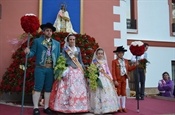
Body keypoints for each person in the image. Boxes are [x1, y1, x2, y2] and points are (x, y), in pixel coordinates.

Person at [24, 22, 60, 115]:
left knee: (48, 88)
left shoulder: (56, 44)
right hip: (40, 68)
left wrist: (59, 68)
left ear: (52, 32)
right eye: (47, 30)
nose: (49, 32)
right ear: (43, 32)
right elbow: (32, 53)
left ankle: (46, 107)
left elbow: (58, 57)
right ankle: (35, 107)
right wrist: (28, 52)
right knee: (38, 87)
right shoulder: (37, 41)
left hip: (51, 69)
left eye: (50, 31)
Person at [49, 34, 89, 113]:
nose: (72, 41)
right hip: (69, 69)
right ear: (68, 41)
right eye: (70, 39)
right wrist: (62, 68)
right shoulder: (65, 49)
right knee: (69, 88)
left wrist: (84, 69)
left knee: (79, 88)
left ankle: (80, 106)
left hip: (78, 70)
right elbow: (63, 59)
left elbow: (80, 60)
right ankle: (67, 106)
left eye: (73, 39)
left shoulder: (78, 49)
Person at [89, 48, 119, 114]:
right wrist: (93, 77)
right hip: (98, 78)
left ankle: (108, 108)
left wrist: (110, 78)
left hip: (105, 78)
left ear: (103, 54)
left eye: (101, 54)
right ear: (96, 54)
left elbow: (107, 70)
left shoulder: (104, 62)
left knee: (106, 92)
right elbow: (91, 70)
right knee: (98, 92)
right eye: (99, 53)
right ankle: (98, 108)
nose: (100, 55)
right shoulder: (94, 62)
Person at [112, 46, 137, 113]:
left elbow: (129, 68)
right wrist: (115, 80)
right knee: (118, 92)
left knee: (123, 92)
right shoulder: (114, 61)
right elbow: (113, 71)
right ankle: (118, 106)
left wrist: (135, 65)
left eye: (122, 53)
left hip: (124, 78)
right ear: (117, 54)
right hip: (118, 79)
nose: (121, 54)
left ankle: (123, 106)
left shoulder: (126, 61)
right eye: (119, 53)